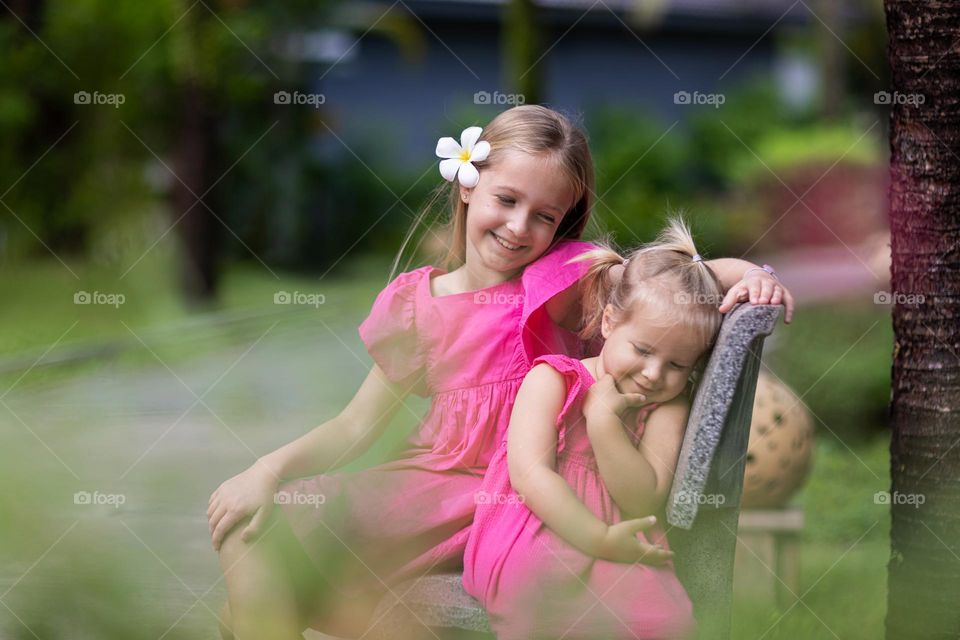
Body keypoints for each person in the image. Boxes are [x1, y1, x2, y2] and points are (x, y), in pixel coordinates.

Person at [206, 105, 793, 639]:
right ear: (467, 186)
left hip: (510, 488)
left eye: (544, 215)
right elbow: (356, 425)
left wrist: (750, 272)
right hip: (430, 482)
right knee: (256, 524)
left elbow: (677, 280)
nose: (519, 228)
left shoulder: (568, 280)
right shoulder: (418, 304)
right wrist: (266, 468)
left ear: (563, 222)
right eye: (506, 200)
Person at [463, 218, 724, 639]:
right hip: (537, 524)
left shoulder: (666, 408)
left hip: (620, 532)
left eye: (677, 365)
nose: (653, 374)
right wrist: (596, 537)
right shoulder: (552, 379)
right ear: (609, 323)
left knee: (660, 618)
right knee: (545, 604)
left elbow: (643, 499)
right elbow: (529, 474)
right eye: (642, 349)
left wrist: (604, 423)